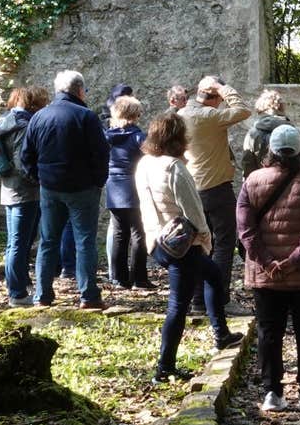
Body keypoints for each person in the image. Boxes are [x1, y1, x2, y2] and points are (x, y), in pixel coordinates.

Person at [138, 112, 245, 383]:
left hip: (157, 241)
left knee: (211, 275)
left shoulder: (144, 164)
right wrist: (205, 241)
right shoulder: (174, 168)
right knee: (177, 306)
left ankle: (221, 333)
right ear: (178, 138)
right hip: (181, 245)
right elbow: (195, 213)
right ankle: (164, 368)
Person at [237, 125, 300, 412]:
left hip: (267, 276)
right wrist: (293, 261)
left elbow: (245, 229)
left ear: (271, 150)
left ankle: (272, 393)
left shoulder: (252, 181)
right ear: (299, 150)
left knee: (269, 332)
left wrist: (268, 262)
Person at [22, 70, 110, 309]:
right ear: (80, 91)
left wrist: (38, 178)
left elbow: (26, 155)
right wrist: (98, 181)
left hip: (50, 187)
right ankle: (88, 296)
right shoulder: (86, 117)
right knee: (84, 241)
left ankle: (42, 295)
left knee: (48, 241)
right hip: (83, 188)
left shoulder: (39, 117)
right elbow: (101, 154)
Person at [178, 75, 252, 313]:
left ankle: (199, 300)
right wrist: (223, 87)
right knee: (223, 244)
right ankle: (220, 299)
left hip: (191, 188)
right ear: (216, 97)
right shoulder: (209, 116)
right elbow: (242, 110)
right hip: (216, 189)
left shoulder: (181, 114)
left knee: (199, 244)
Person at [0, 85, 50, 306]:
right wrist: (37, 180)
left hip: (9, 187)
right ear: (32, 105)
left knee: (16, 242)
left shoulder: (5, 122)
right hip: (24, 191)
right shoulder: (24, 126)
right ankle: (16, 293)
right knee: (18, 242)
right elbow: (22, 161)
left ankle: (18, 284)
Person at [104, 95, 154, 290]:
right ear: (136, 114)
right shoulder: (138, 137)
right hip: (134, 188)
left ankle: (118, 278)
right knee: (138, 233)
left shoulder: (107, 136)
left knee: (119, 233)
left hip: (114, 187)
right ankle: (139, 278)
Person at [241, 89, 290, 179]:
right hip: (289, 186)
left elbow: (247, 165)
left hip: (260, 185)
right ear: (281, 107)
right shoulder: (292, 131)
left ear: (261, 109)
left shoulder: (253, 133)